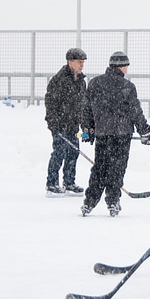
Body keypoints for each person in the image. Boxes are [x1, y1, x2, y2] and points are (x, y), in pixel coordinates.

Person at [80, 52, 150, 217]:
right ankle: (113, 201)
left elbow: (86, 109)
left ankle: (89, 202)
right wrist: (146, 131)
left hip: (103, 134)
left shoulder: (95, 83)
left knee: (99, 168)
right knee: (117, 168)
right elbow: (136, 112)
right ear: (122, 66)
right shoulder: (127, 87)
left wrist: (88, 129)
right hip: (121, 135)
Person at [44, 47, 87, 198]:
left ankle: (69, 182)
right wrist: (53, 124)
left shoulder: (81, 82)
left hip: (73, 125)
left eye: (83, 62)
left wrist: (85, 126)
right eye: (79, 62)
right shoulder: (59, 80)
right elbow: (51, 103)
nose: (82, 65)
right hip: (60, 125)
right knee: (59, 153)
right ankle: (52, 184)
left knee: (73, 153)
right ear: (70, 62)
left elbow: (83, 105)